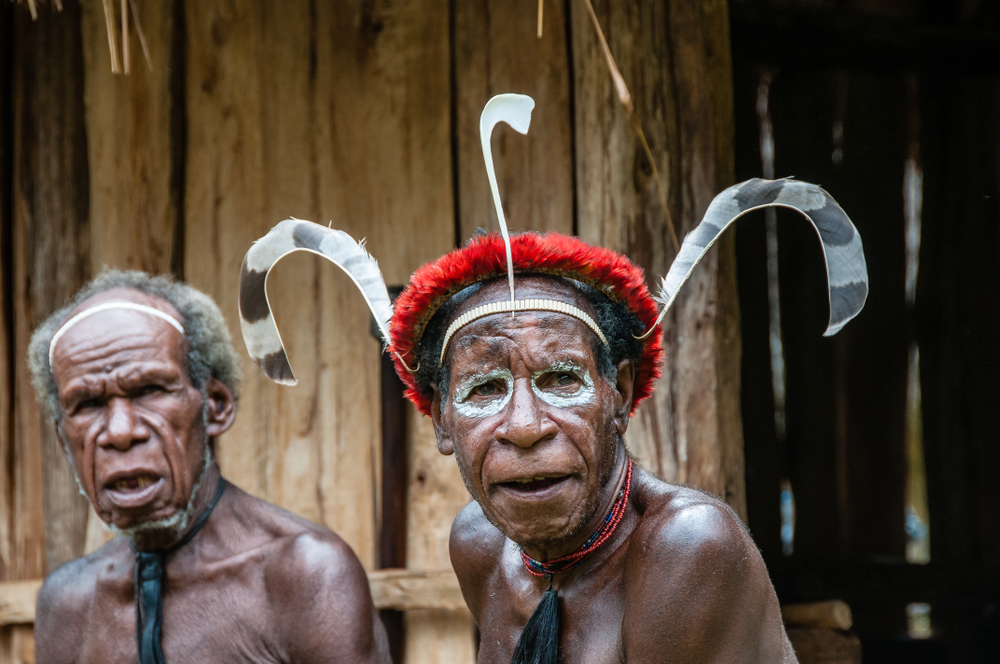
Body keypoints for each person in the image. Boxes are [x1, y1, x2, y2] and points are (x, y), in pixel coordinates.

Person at [237, 96, 868, 664]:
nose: (525, 426)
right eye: (483, 390)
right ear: (440, 422)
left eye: (562, 379)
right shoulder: (482, 543)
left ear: (619, 393)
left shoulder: (685, 547)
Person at [28, 271, 389, 664]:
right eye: (88, 404)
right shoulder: (67, 604)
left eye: (149, 390)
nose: (119, 433)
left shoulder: (305, 575)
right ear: (64, 440)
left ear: (215, 405)